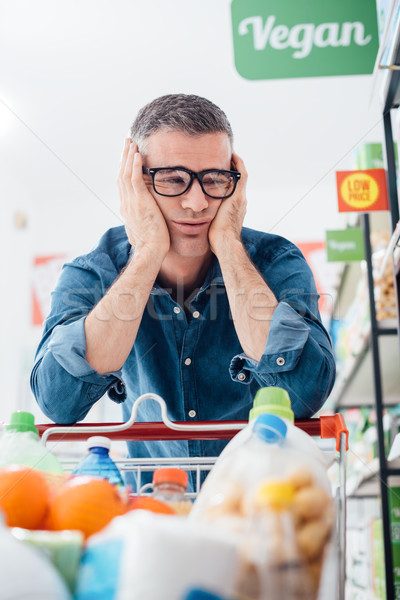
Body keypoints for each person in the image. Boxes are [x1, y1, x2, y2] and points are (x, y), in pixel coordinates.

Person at [31, 93, 335, 489]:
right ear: (136, 181)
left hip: (260, 509)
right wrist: (147, 253)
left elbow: (305, 393)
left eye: (213, 180)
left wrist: (227, 242)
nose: (197, 203)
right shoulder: (93, 272)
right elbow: (59, 401)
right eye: (174, 179)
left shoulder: (276, 261)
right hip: (157, 508)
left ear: (234, 182)